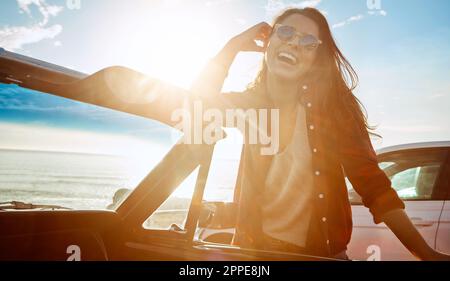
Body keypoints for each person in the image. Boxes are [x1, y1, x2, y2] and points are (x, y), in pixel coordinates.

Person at [189, 7, 449, 260]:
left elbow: (373, 185)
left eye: (309, 41)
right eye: (286, 32)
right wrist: (231, 47)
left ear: (316, 57)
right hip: (256, 255)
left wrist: (425, 253)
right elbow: (193, 106)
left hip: (319, 255)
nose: (294, 43)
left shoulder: (334, 108)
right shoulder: (249, 106)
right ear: (268, 40)